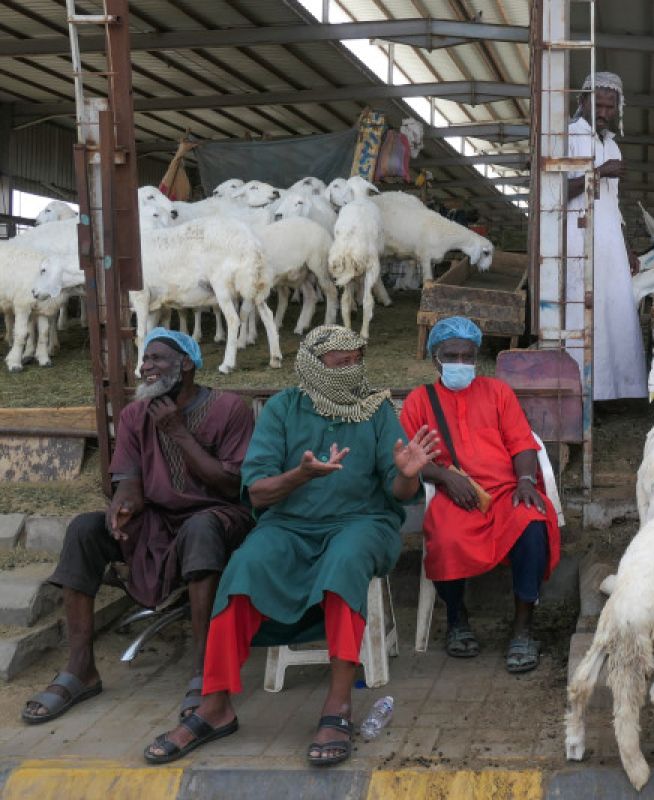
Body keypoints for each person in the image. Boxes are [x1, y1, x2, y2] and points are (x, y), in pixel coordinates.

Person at [142, 325, 439, 767]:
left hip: (362, 522)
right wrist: (302, 475)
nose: (350, 370)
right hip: (289, 524)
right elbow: (258, 492)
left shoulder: (376, 411)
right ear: (313, 367)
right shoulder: (283, 409)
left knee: (344, 563)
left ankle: (337, 707)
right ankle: (215, 704)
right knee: (243, 568)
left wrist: (408, 472)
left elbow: (397, 493)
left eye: (356, 361)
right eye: (339, 364)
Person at [23, 328, 255, 725]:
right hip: (158, 521)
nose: (146, 366)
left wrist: (178, 432)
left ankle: (204, 675)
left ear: (186, 364)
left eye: (157, 358)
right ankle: (81, 668)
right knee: (84, 529)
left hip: (219, 516)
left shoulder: (229, 408)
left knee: (201, 529)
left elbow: (233, 485)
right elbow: (128, 478)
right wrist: (122, 504)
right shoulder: (134, 415)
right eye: (144, 360)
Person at [399, 317, 561, 674]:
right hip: (457, 493)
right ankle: (457, 620)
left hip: (505, 491)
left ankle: (523, 630)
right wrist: (442, 476)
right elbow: (409, 459)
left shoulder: (497, 392)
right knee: (445, 536)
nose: (460, 363)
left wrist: (524, 481)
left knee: (532, 522)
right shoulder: (419, 400)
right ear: (435, 359)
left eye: (467, 356)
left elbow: (522, 443)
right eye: (451, 355)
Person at [565, 70, 649, 401]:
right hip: (579, 237)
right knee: (583, 309)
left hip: (610, 242)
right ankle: (579, 390)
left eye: (610, 107)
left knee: (614, 309)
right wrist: (599, 172)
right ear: (582, 100)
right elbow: (556, 192)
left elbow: (613, 204)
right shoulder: (569, 136)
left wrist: (627, 249)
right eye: (598, 104)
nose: (603, 112)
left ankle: (611, 389)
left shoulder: (611, 145)